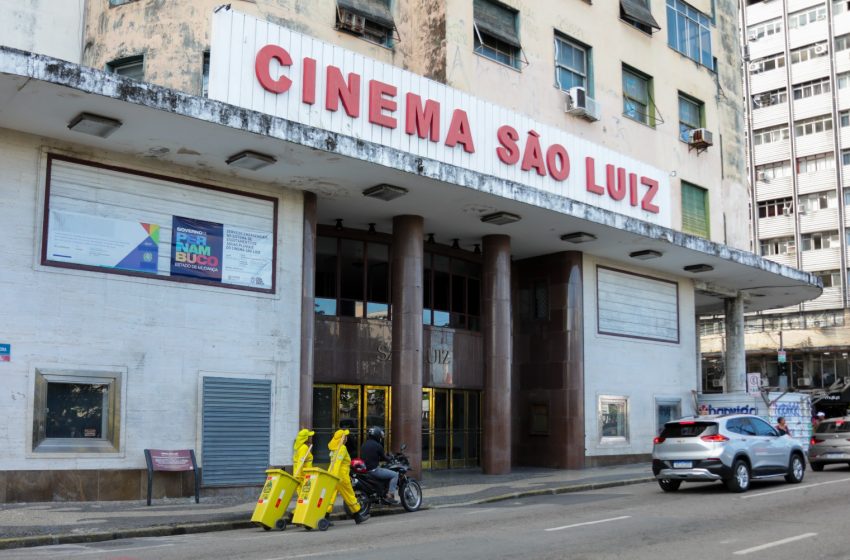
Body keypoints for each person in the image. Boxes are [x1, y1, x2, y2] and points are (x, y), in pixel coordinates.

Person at [327, 429, 368, 524]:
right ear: (342, 438)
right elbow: (337, 464)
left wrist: (331, 476)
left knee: (330, 497)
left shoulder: (334, 449)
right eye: (345, 436)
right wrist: (336, 476)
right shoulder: (342, 448)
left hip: (334, 477)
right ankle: (357, 516)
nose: (346, 438)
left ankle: (325, 518)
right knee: (350, 496)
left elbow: (333, 464)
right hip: (342, 478)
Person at [360, 426, 399, 504]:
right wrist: (391, 459)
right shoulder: (378, 445)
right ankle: (390, 496)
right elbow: (384, 457)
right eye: (380, 436)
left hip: (365, 471)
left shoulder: (364, 445)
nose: (381, 438)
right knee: (395, 475)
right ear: (377, 435)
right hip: (374, 471)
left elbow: (372, 456)